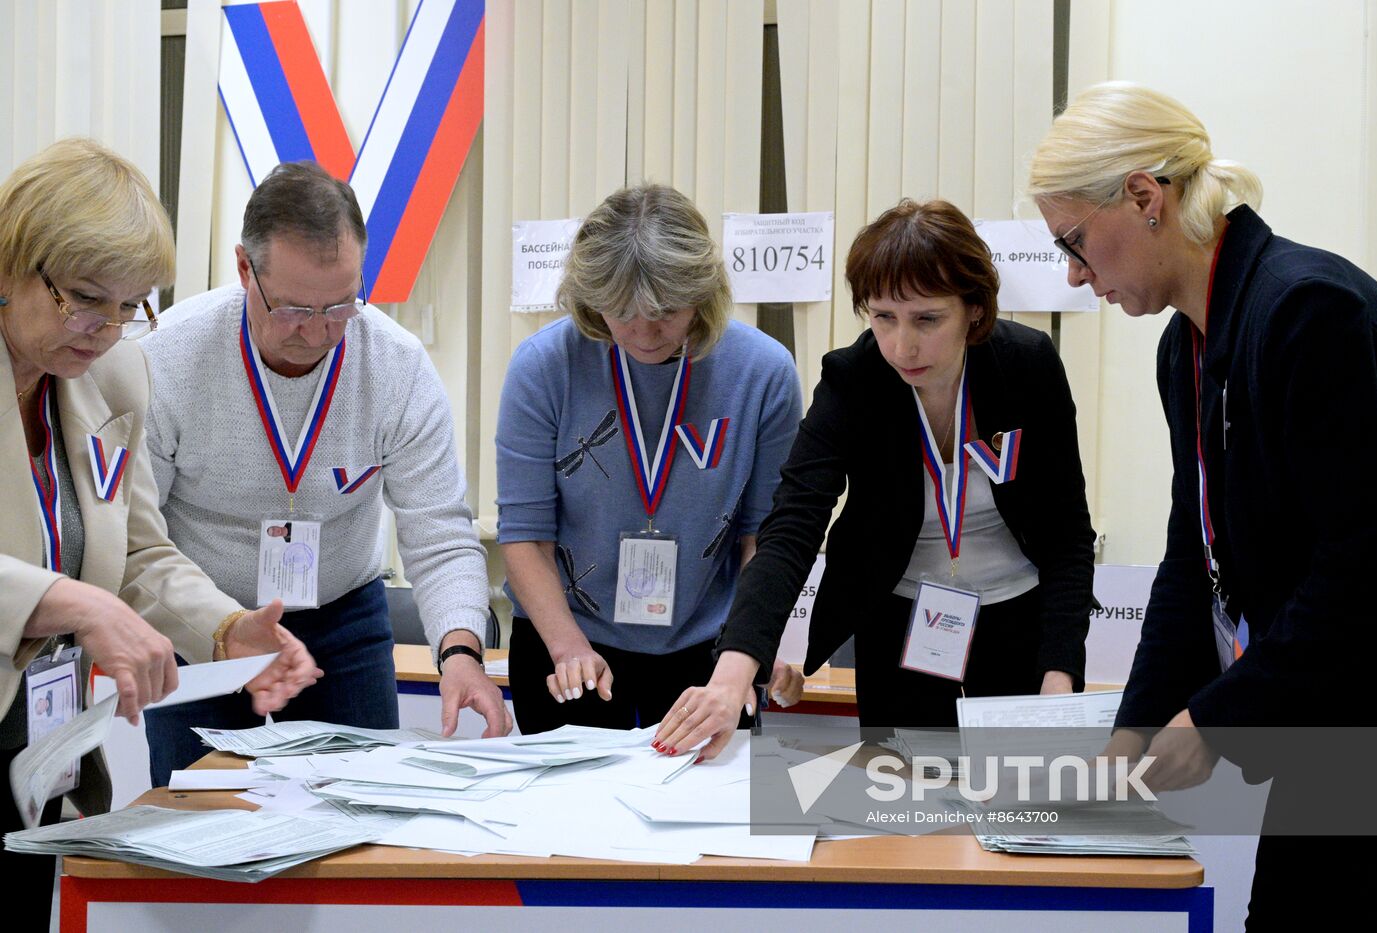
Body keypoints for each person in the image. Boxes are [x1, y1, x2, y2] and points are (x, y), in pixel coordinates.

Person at [1026, 81, 1377, 927]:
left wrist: (1215, 718)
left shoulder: (1309, 312)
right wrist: (1135, 727)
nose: (1078, 277)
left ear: (1145, 197)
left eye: (1077, 244)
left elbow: (1368, 569)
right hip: (1322, 735)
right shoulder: (1185, 348)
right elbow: (1194, 557)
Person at [0, 138, 320, 931]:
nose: (108, 328)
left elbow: (139, 548)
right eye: (85, 298)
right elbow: (76, 588)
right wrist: (65, 598)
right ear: (12, 265)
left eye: (130, 303)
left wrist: (226, 627)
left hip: (41, 752)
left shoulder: (109, 376)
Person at [655, 198, 1095, 755]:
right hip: (902, 621)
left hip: (1018, 617)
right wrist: (733, 669)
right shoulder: (854, 379)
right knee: (903, 804)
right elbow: (793, 522)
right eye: (883, 317)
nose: (901, 346)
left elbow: (1067, 535)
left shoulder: (1028, 366)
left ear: (975, 311)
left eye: (927, 319)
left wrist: (1059, 675)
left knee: (1017, 805)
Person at [141, 161, 509, 788]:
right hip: (201, 624)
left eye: (340, 305)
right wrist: (217, 630)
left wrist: (461, 652)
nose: (316, 332)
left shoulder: (394, 366)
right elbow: (138, 535)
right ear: (243, 270)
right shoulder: (169, 357)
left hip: (343, 623)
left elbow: (438, 532)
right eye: (293, 309)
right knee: (194, 829)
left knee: (359, 821)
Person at [496, 183, 804, 736]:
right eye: (621, 312)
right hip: (566, 637)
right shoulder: (544, 367)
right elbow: (524, 533)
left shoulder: (763, 373)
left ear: (702, 291)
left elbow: (765, 535)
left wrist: (758, 642)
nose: (643, 332)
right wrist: (568, 649)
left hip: (710, 646)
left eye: (665, 311)